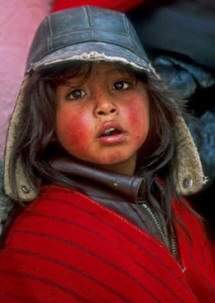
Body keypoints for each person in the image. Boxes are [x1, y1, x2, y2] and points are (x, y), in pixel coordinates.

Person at [0, 5, 214, 303]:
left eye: (121, 85)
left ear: (153, 102)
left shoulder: (175, 205)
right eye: (76, 93)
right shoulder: (42, 239)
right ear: (48, 119)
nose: (105, 106)